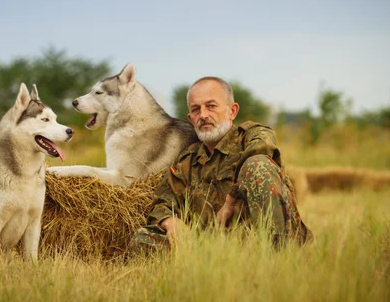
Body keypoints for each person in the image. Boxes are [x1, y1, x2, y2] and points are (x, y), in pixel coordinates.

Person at [130, 76, 312, 251]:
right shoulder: (187, 161)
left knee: (258, 166)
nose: (203, 115)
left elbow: (262, 151)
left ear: (232, 111)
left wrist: (232, 199)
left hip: (258, 239)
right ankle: (201, 268)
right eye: (195, 109)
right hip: (214, 247)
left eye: (211, 106)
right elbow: (162, 203)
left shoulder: (251, 136)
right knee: (143, 238)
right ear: (190, 118)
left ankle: (279, 256)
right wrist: (171, 222)